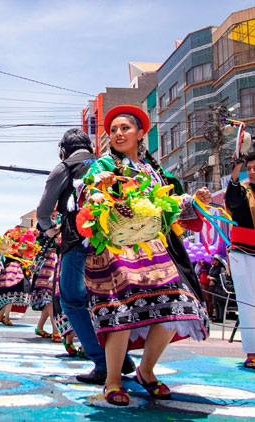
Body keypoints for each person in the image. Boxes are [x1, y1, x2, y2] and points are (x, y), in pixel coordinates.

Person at [83, 105, 209, 405]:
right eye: (113, 130)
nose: (117, 134)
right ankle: (113, 380)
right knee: (121, 311)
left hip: (156, 250)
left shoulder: (157, 172)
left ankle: (146, 371)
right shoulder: (102, 167)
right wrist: (100, 190)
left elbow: (172, 208)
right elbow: (88, 197)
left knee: (176, 303)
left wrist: (197, 202)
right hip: (116, 250)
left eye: (124, 128)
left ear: (141, 134)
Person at [35, 127, 136, 386]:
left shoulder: (65, 167)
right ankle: (120, 358)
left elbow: (44, 208)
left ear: (64, 149)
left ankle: (103, 361)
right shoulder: (107, 163)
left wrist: (48, 228)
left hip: (79, 241)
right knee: (108, 300)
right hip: (114, 243)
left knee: (72, 300)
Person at [225, 151, 255, 370]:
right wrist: (235, 172)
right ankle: (252, 352)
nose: (252, 172)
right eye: (250, 168)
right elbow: (232, 203)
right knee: (248, 305)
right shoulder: (241, 189)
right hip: (243, 251)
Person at [30, 248, 60, 342]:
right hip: (50, 261)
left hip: (53, 258)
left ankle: (40, 327)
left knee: (49, 298)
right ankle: (56, 331)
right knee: (50, 296)